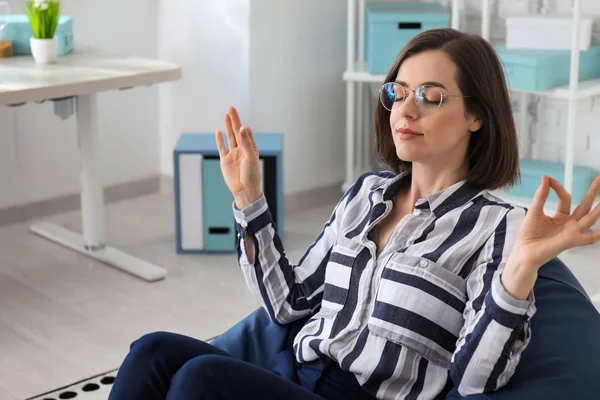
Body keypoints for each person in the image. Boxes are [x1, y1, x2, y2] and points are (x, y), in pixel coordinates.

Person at [108, 28, 600, 400]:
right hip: (294, 374)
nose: (405, 111)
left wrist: (518, 272)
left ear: (477, 115)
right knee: (151, 350)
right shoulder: (367, 193)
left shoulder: (498, 226)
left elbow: (475, 380)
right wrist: (249, 201)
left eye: (431, 97)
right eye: (397, 92)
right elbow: (291, 305)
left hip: (363, 396)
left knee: (202, 378)